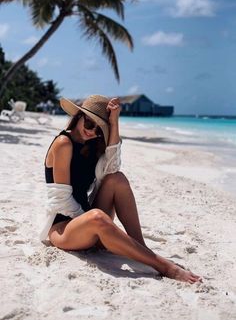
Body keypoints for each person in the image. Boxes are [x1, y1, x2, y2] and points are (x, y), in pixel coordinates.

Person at [40, 94, 202, 284]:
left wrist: (114, 123)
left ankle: (141, 248)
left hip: (88, 218)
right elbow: (61, 200)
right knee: (97, 217)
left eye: (99, 130)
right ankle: (165, 267)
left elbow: (113, 167)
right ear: (79, 117)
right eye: (89, 124)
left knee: (117, 179)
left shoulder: (91, 145)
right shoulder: (63, 143)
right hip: (63, 228)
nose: (92, 132)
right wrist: (93, 222)